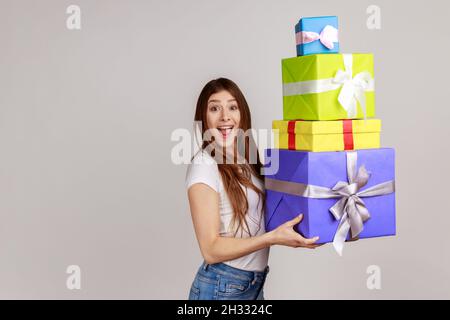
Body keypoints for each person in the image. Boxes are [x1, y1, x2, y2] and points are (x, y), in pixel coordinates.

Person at [185, 78, 321, 300]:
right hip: (222, 286)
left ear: (242, 113)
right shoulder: (204, 165)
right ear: (203, 118)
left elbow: (266, 216)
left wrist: (318, 228)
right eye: (214, 108)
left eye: (232, 106)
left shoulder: (246, 159)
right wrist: (271, 238)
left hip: (251, 285)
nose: (225, 116)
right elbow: (210, 249)